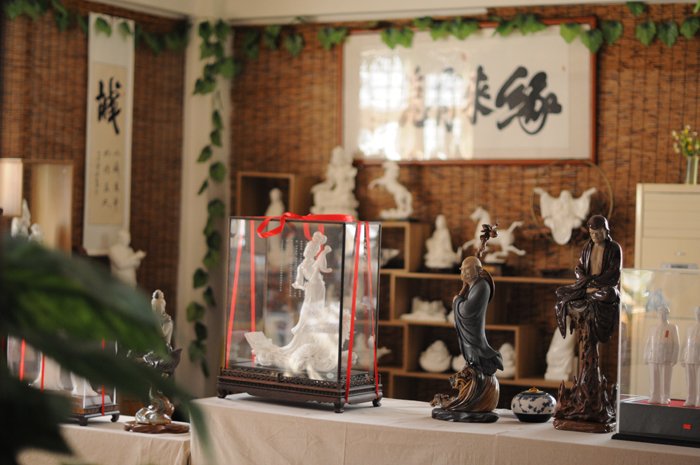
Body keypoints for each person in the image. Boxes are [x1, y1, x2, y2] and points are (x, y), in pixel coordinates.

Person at [552, 215, 621, 427]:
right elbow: (579, 269)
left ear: (606, 231)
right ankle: (580, 396)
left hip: (602, 288)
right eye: (592, 233)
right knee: (561, 293)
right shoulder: (587, 247)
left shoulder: (614, 248)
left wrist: (592, 284)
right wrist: (585, 282)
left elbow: (614, 274)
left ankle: (591, 395)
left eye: (598, 233)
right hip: (588, 287)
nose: (595, 236)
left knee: (609, 293)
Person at [452, 256, 503, 376]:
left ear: (477, 270)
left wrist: (457, 300)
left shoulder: (482, 286)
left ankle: (481, 371)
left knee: (477, 360)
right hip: (469, 333)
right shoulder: (473, 286)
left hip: (474, 332)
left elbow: (467, 311)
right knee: (471, 360)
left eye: (467, 269)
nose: (463, 272)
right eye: (462, 269)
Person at [644, 306, 679, 405]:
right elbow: (648, 342)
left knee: (665, 379)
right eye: (660, 314)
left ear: (667, 315)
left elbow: (676, 344)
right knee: (654, 378)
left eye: (664, 314)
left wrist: (674, 358)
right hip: (653, 356)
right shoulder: (653, 327)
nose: (661, 316)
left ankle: (665, 397)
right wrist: (646, 355)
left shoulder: (672, 328)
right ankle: (654, 396)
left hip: (666, 358)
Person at [681, 306, 700, 407]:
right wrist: (682, 357)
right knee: (690, 380)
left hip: (698, 357)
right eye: (696, 313)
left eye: (699, 313)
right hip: (689, 356)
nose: (698, 315)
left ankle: (698, 399)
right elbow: (685, 342)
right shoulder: (690, 327)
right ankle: (690, 398)